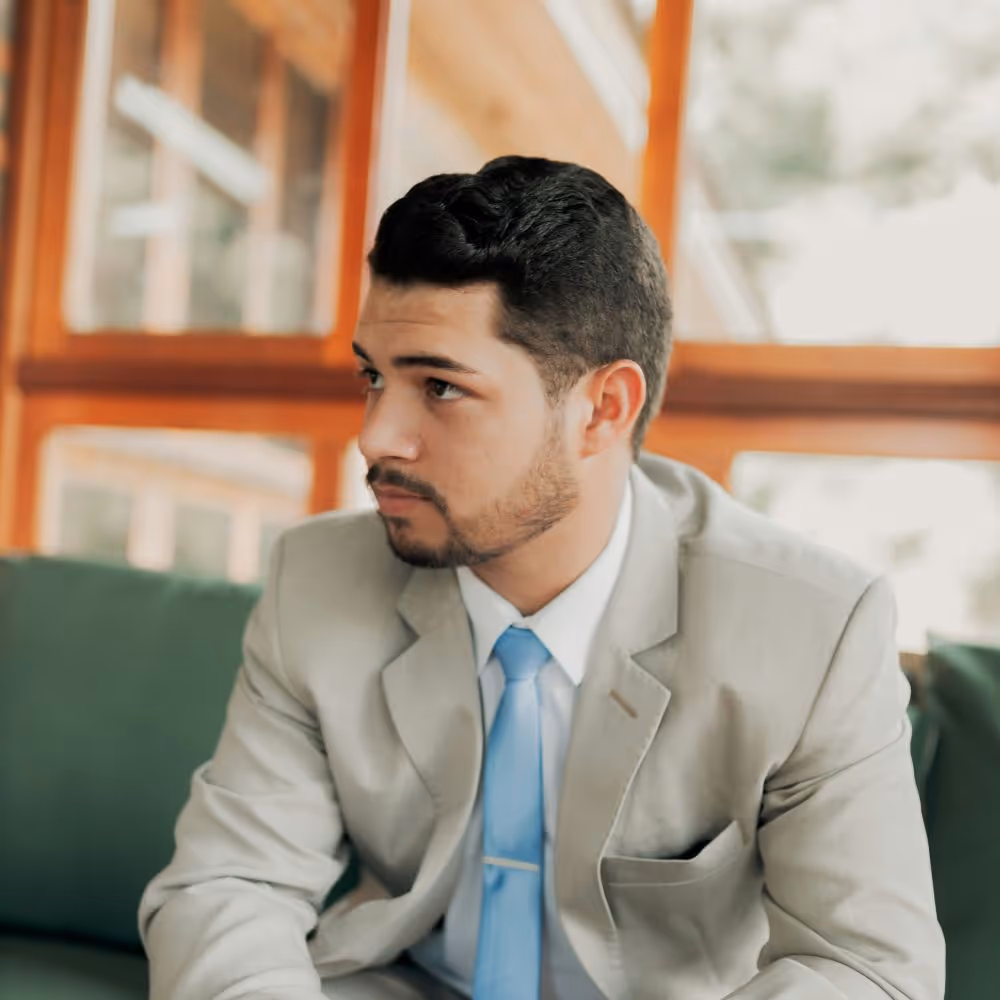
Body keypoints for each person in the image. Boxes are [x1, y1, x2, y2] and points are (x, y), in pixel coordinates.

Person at [139, 156, 944, 1000]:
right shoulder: (317, 580)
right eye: (374, 376)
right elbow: (231, 884)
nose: (375, 437)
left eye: (440, 386)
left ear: (603, 409)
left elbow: (866, 966)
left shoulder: (813, 628)